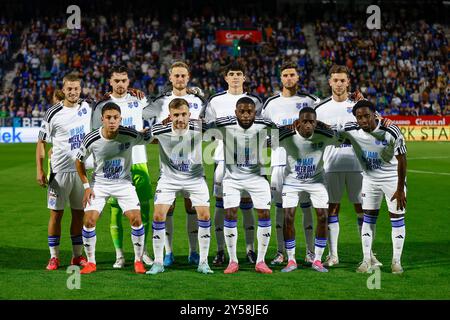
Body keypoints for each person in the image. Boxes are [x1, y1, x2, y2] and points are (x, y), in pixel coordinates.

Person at [314, 64, 381, 268]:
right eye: (336, 80)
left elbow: (376, 127)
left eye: (343, 80)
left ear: (348, 82)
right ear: (330, 82)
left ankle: (368, 254)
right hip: (331, 166)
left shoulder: (360, 105)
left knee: (363, 210)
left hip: (358, 166)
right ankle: (333, 255)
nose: (339, 84)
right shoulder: (321, 108)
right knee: (332, 209)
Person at [75, 102, 153, 274]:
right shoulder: (91, 138)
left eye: (115, 118)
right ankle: (91, 262)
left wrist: (163, 125)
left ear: (120, 119)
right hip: (99, 184)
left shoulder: (130, 134)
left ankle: (138, 261)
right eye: (108, 118)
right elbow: (79, 161)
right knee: (88, 220)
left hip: (124, 184)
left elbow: (149, 138)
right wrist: (87, 186)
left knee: (136, 219)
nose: (112, 121)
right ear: (102, 119)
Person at [143, 61, 206, 267]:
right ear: (170, 78)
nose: (180, 79)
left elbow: (208, 126)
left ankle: (193, 252)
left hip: (194, 166)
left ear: (188, 78)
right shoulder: (161, 101)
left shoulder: (198, 99)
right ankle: (168, 253)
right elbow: (146, 121)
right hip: (168, 166)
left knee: (192, 208)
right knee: (167, 209)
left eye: (183, 76)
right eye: (176, 75)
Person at [202, 61, 263, 266]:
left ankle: (250, 250)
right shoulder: (216, 101)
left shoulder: (254, 101)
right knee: (221, 207)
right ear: (226, 77)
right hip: (222, 159)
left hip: (249, 162)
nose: (235, 77)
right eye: (232, 73)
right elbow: (210, 132)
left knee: (247, 207)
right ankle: (220, 251)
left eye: (239, 73)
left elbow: (262, 132)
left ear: (244, 77)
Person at [92, 65, 153, 268]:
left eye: (124, 80)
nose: (120, 84)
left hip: (138, 161)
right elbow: (95, 136)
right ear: (110, 81)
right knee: (116, 211)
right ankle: (119, 255)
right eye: (116, 80)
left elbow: (160, 111)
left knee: (144, 209)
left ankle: (142, 253)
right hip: (113, 166)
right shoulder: (102, 104)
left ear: (129, 82)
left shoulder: (139, 99)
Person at [261, 61, 320, 265]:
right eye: (285, 75)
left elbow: (320, 129)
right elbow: (263, 135)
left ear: (298, 77)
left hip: (306, 164)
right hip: (279, 164)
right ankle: (280, 252)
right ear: (281, 78)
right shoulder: (270, 104)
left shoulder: (312, 101)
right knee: (280, 209)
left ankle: (311, 252)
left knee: (306, 208)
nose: (289, 78)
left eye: (292, 74)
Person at [339, 100, 407, 274]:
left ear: (375, 115)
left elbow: (402, 160)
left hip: (392, 180)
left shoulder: (391, 130)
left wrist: (400, 189)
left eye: (367, 116)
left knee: (397, 218)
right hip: (369, 180)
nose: (363, 120)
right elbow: (330, 131)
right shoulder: (351, 129)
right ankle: (366, 260)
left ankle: (396, 261)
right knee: (368, 218)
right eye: (359, 117)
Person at [146, 98, 213, 275]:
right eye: (176, 115)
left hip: (195, 178)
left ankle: (203, 262)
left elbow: (222, 130)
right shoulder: (160, 129)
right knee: (159, 215)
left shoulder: (200, 127)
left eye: (183, 114)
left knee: (205, 215)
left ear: (190, 115)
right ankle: (158, 262)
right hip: (169, 179)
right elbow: (141, 137)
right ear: (170, 116)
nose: (180, 118)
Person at [209, 97, 275, 274]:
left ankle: (260, 261)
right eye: (242, 111)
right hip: (232, 178)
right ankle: (232, 260)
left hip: (257, 177)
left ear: (255, 112)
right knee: (230, 212)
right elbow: (205, 127)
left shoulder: (264, 123)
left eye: (250, 111)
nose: (246, 115)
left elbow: (279, 134)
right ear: (236, 112)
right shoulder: (225, 124)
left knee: (264, 213)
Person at [277, 107, 343, 273]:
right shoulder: (287, 135)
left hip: (317, 181)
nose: (307, 125)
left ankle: (318, 260)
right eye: (304, 121)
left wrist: (323, 125)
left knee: (323, 217)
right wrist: (282, 129)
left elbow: (340, 138)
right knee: (288, 217)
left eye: (311, 122)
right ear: (298, 122)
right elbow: (265, 139)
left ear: (315, 122)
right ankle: (291, 260)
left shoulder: (324, 134)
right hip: (292, 181)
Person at [36, 74, 90, 270]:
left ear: (80, 89)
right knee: (56, 215)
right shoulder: (53, 113)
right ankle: (54, 257)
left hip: (80, 171)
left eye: (76, 88)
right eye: (70, 89)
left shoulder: (87, 107)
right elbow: (41, 141)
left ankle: (77, 256)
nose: (73, 92)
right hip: (59, 172)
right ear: (64, 89)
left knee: (79, 214)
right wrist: (40, 169)